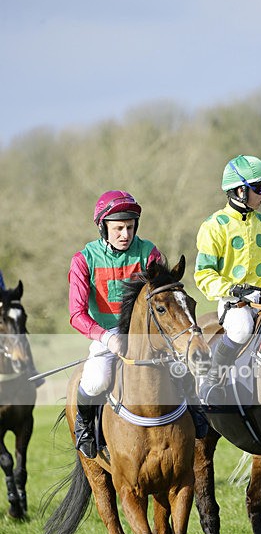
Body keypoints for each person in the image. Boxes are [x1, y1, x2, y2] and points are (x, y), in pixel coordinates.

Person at [68, 190, 163, 458]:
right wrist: (107, 338)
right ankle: (84, 424)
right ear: (103, 227)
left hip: (145, 333)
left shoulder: (149, 253)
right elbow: (76, 314)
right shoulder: (83, 259)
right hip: (106, 335)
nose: (125, 234)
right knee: (97, 380)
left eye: (130, 227)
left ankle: (196, 415)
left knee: (181, 367)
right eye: (118, 228)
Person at [194, 154, 261, 404]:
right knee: (242, 329)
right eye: (259, 188)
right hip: (235, 304)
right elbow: (204, 274)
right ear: (241, 190)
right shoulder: (214, 226)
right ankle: (212, 380)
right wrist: (234, 290)